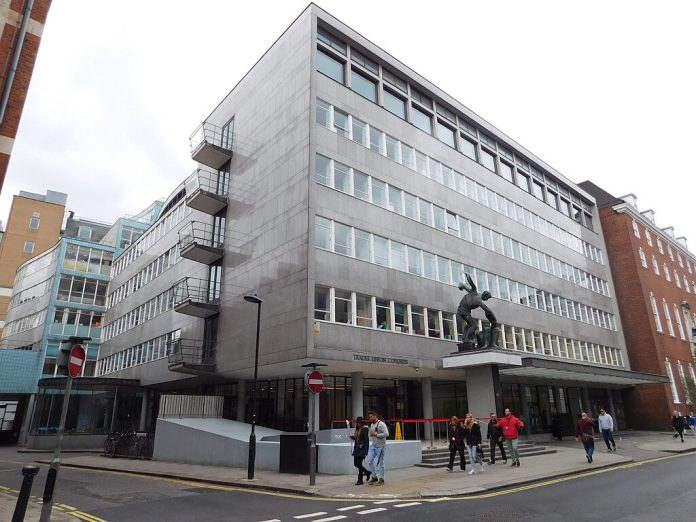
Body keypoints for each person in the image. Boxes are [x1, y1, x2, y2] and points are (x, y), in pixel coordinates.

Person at [457, 273, 497, 346]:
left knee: (470, 324)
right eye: (487, 298)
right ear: (485, 296)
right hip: (464, 311)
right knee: (474, 325)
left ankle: (464, 337)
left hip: (461, 310)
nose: (486, 300)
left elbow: (468, 286)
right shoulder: (479, 300)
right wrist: (493, 318)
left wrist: (462, 286)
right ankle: (467, 339)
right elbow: (486, 309)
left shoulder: (473, 292)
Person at [366, 410, 389, 486]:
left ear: (375, 416)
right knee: (370, 460)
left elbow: (386, 434)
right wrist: (371, 434)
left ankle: (382, 478)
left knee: (381, 463)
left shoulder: (381, 424)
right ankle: (374, 477)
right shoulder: (372, 425)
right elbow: (372, 434)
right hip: (373, 446)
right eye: (369, 417)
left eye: (371, 417)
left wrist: (376, 434)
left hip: (381, 447)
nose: (370, 418)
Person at [349, 416, 371, 485]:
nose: (358, 424)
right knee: (356, 464)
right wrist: (352, 437)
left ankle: (360, 480)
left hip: (361, 449)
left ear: (362, 423)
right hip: (356, 449)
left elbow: (366, 440)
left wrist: (365, 451)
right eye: (357, 422)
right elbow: (357, 438)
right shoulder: (357, 429)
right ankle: (367, 472)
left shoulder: (364, 429)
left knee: (359, 464)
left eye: (359, 422)